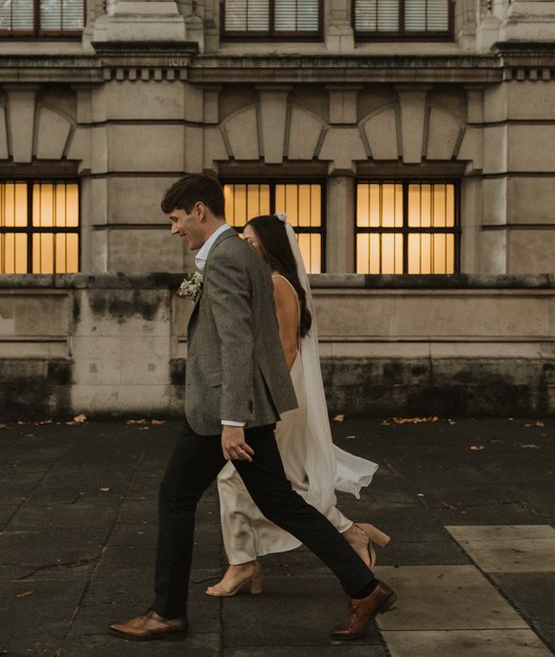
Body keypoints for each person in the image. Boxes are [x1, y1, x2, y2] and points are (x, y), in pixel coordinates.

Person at [109, 174, 396, 643]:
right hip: (250, 403)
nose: (174, 229)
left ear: (200, 210)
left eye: (177, 219)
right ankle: (365, 588)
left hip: (224, 407)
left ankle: (167, 613)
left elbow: (238, 342)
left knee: (175, 498)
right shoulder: (239, 253)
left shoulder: (224, 258)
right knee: (280, 501)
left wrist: (231, 422)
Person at [206, 214, 390, 599]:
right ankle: (253, 559)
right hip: (276, 395)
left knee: (244, 478)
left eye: (253, 241)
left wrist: (266, 404)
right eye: (245, 240)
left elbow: (287, 348)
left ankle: (248, 561)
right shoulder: (271, 282)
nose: (247, 246)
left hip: (279, 399)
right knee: (271, 483)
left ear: (271, 246)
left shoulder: (277, 284)